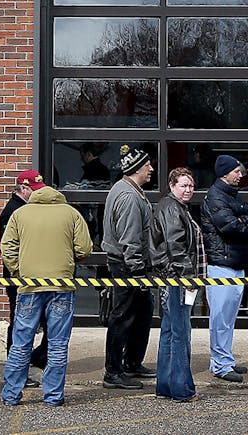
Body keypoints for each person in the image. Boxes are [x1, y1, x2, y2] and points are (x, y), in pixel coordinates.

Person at [0, 165, 92, 408]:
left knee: (21, 342)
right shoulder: (71, 213)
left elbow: (7, 247)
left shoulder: (20, 215)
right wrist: (68, 261)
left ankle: (11, 394)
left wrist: (18, 271)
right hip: (62, 285)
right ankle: (53, 396)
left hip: (29, 286)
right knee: (58, 345)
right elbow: (84, 248)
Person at [101, 144, 155, 389]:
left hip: (128, 263)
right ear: (136, 169)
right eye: (147, 166)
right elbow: (130, 239)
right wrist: (137, 271)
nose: (151, 169)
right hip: (127, 266)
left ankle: (132, 362)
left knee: (142, 314)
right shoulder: (129, 197)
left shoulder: (130, 190)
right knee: (122, 317)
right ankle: (113, 372)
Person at [201, 153, 248, 383]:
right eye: (237, 171)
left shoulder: (232, 196)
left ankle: (226, 359)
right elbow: (231, 226)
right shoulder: (216, 197)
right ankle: (220, 364)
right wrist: (243, 221)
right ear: (225, 173)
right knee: (220, 318)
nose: (241, 175)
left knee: (229, 318)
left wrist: (243, 220)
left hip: (235, 263)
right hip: (221, 264)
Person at [150, 167, 202, 403]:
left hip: (170, 277)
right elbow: (176, 247)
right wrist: (189, 277)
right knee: (180, 334)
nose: (188, 190)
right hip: (176, 278)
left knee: (170, 332)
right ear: (172, 186)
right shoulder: (172, 208)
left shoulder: (174, 207)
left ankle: (166, 386)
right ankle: (182, 389)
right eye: (183, 185)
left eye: (191, 185)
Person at [0, 169, 48, 381]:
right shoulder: (13, 212)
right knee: (19, 324)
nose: (37, 194)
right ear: (24, 189)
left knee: (36, 321)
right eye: (34, 190)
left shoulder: (23, 209)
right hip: (18, 278)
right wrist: (19, 273)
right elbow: (10, 249)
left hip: (26, 276)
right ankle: (17, 368)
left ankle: (35, 357)